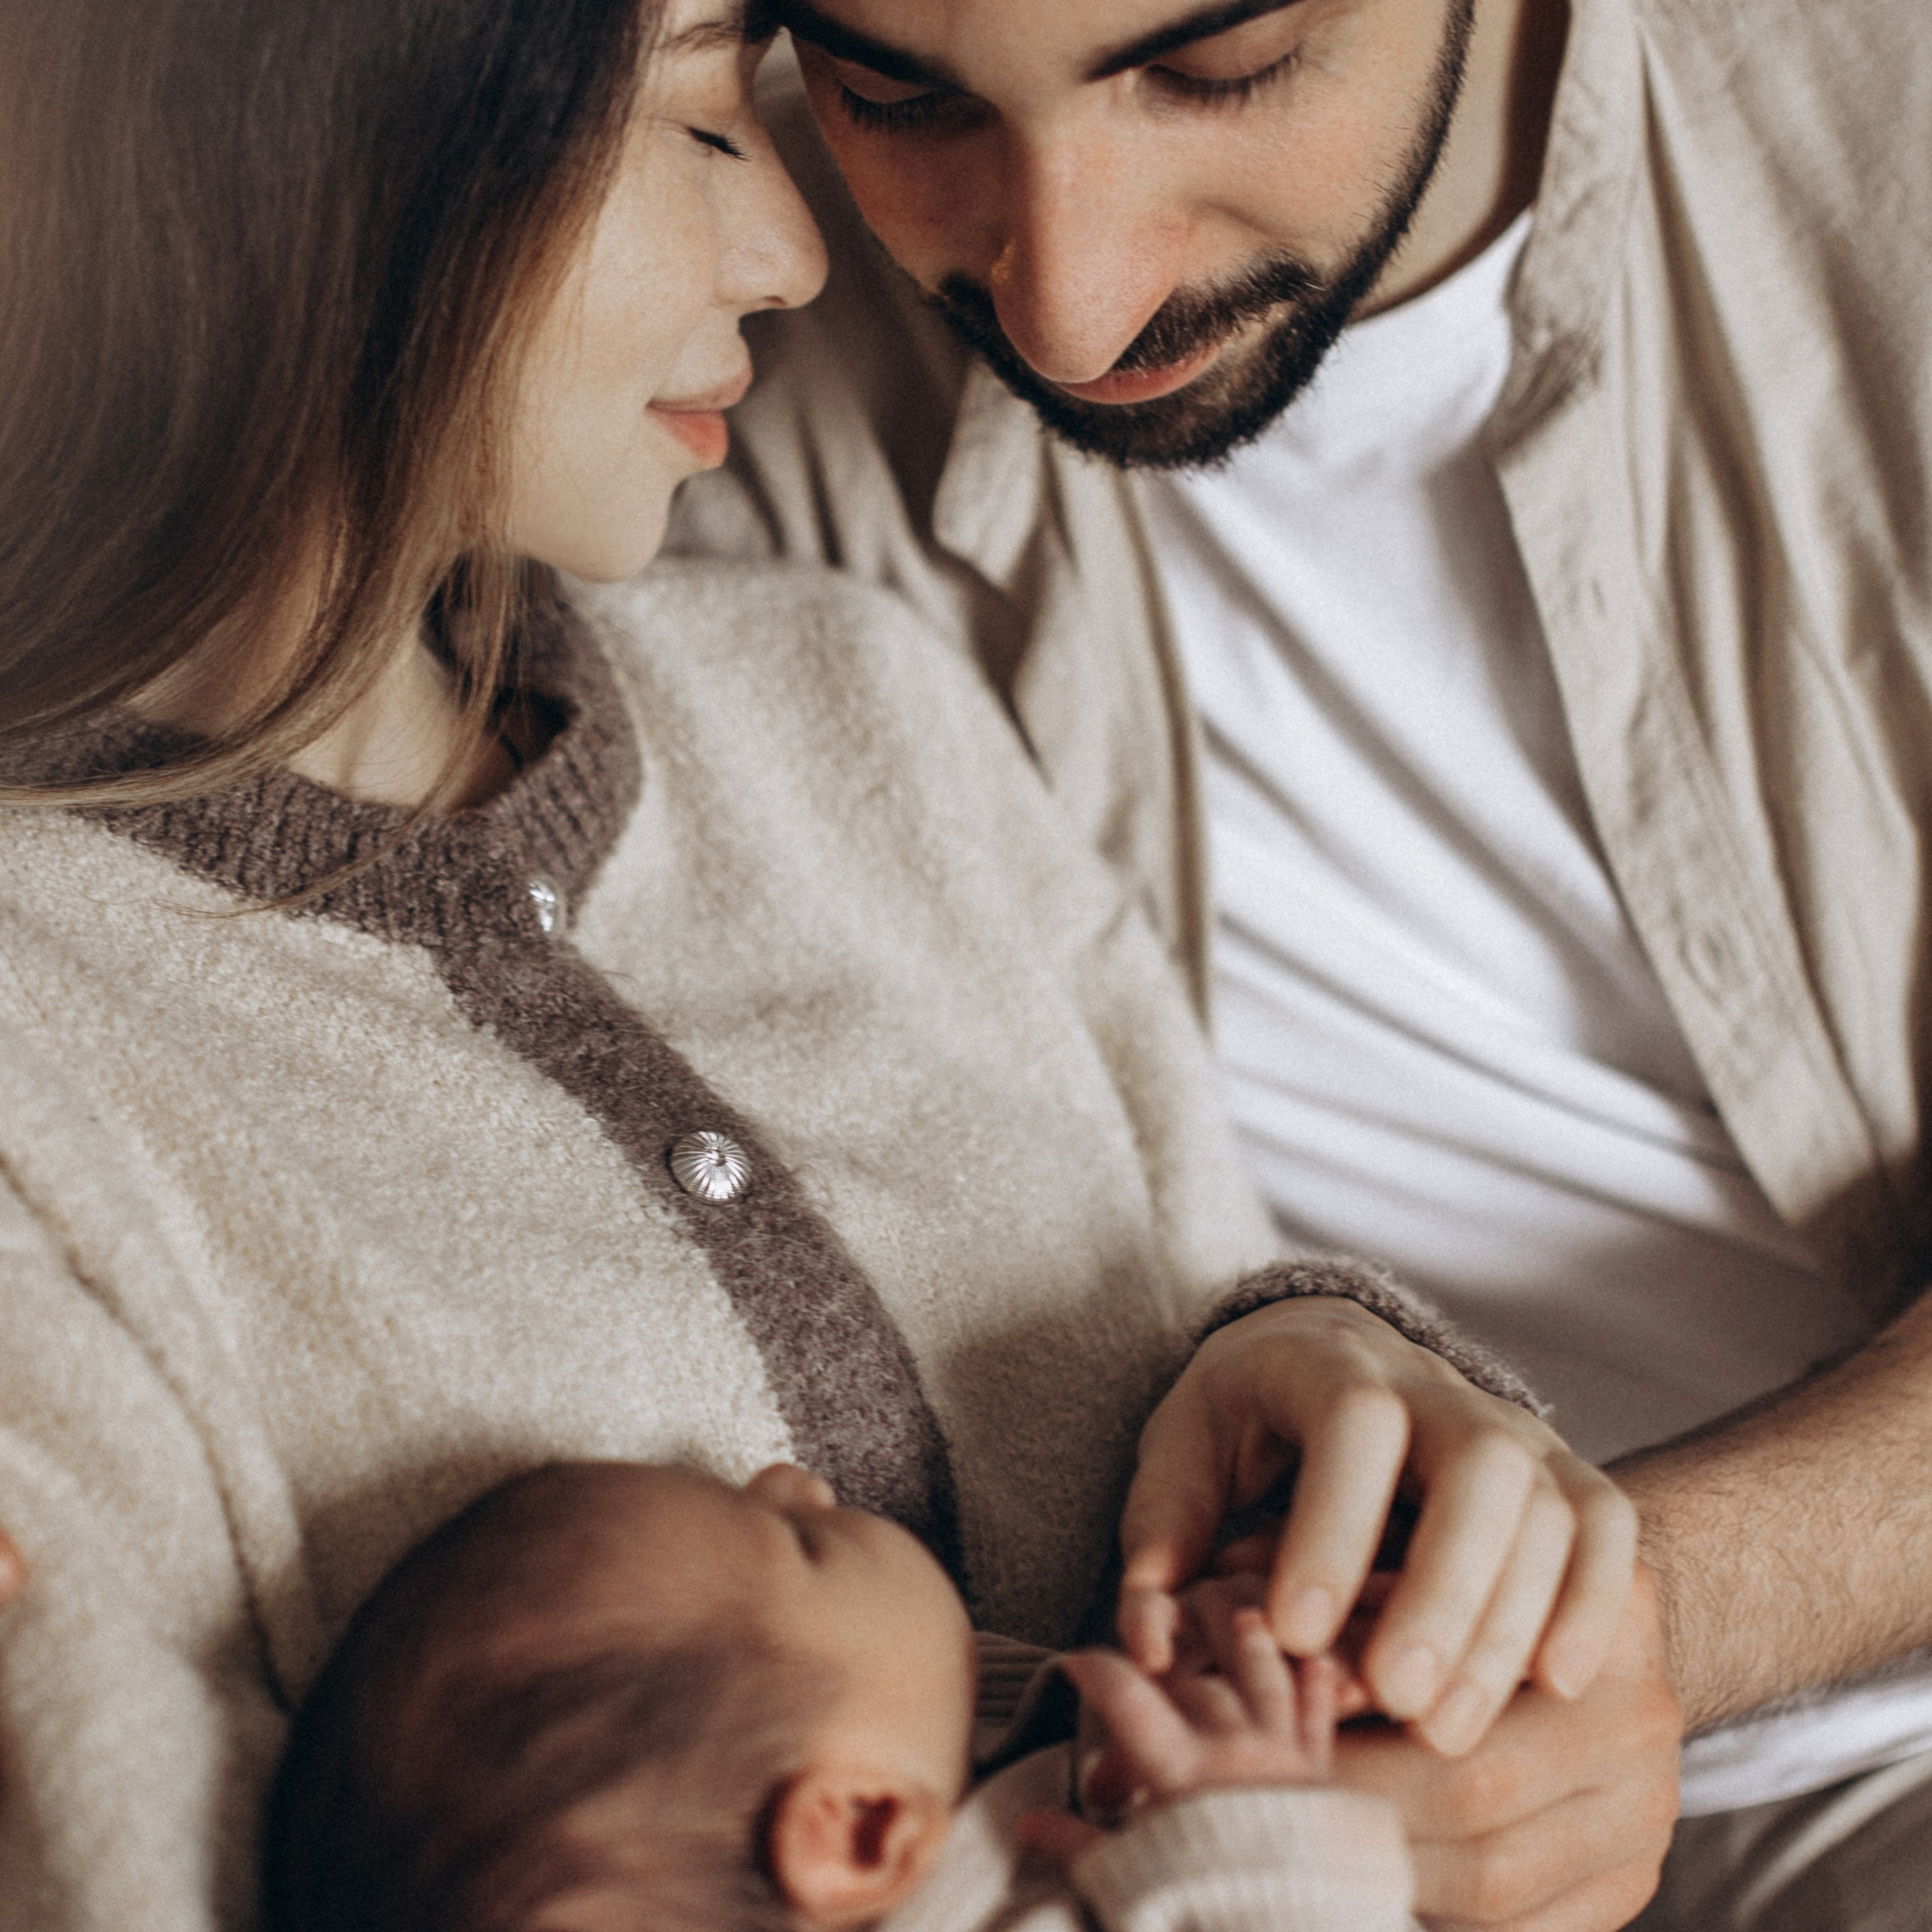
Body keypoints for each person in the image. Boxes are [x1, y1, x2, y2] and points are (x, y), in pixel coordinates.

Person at [0, 0, 1644, 1924]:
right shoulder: (44, 1035)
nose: (796, 253)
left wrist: (1307, 1360)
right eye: (703, 124)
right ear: (297, 167)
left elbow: (1201, 1275)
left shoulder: (850, 700)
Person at [663, 0, 1932, 1925]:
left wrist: (1622, 1610)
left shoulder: (1878, 140)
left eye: (1220, 67)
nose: (1066, 313)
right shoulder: (709, 344)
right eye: (897, 96)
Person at [263, 1459, 1419, 1932]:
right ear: (859, 1826)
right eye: (794, 1541)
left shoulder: (942, 1834)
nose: (791, 1476)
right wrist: (1257, 1829)